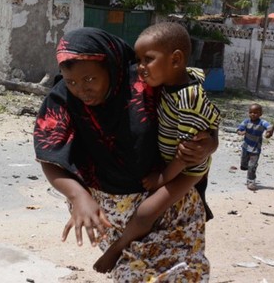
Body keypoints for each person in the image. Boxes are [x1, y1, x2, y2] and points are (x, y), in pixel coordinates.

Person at [33, 27, 218, 282]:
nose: (81, 89)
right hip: (110, 215)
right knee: (132, 274)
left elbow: (197, 111)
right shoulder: (63, 99)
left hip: (171, 205)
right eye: (72, 82)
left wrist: (211, 143)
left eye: (89, 79)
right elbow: (49, 156)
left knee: (182, 272)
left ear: (110, 67)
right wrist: (78, 197)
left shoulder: (145, 82)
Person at [93, 22, 220, 274]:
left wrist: (162, 178)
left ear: (175, 60)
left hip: (189, 168)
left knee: (148, 210)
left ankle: (116, 249)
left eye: (148, 59)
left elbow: (186, 155)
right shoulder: (178, 79)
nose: (140, 67)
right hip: (172, 157)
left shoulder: (188, 99)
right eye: (138, 60)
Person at [236, 103, 272, 191]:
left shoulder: (262, 122)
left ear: (260, 114)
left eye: (256, 112)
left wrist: (269, 132)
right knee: (244, 163)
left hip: (256, 148)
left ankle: (251, 181)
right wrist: (241, 132)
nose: (253, 114)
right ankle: (244, 165)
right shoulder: (246, 121)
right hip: (246, 146)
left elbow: (270, 127)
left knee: (252, 166)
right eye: (251, 112)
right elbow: (239, 129)